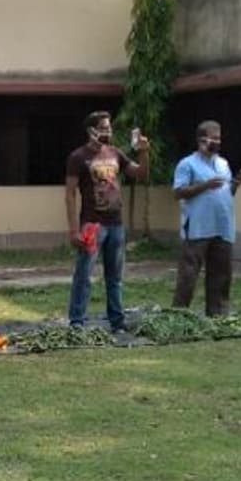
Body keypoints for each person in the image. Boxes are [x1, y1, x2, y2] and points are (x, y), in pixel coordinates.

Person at [65, 111, 150, 331]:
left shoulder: (115, 153)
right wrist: (74, 230)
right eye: (103, 128)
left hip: (116, 224)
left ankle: (117, 320)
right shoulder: (78, 157)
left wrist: (144, 152)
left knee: (115, 277)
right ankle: (77, 321)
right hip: (92, 225)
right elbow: (70, 194)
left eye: (109, 128)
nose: (108, 132)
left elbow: (140, 174)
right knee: (84, 275)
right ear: (91, 131)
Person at [172, 120, 241, 316]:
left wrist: (234, 185)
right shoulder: (187, 164)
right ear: (201, 140)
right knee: (189, 274)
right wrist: (204, 185)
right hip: (198, 227)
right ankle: (179, 314)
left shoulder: (223, 163)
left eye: (219, 138)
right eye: (213, 138)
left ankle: (217, 313)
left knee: (221, 274)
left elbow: (225, 192)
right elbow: (178, 192)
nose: (216, 142)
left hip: (223, 226)